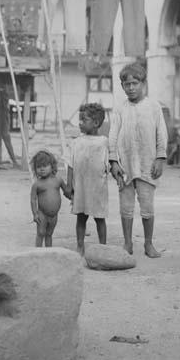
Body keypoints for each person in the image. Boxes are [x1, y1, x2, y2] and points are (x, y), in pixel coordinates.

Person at [109, 63, 168, 258]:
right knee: (125, 207)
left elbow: (162, 134)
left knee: (147, 206)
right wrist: (113, 161)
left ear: (143, 83)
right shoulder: (119, 108)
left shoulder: (153, 106)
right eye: (127, 84)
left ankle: (148, 244)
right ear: (122, 86)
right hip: (125, 166)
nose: (131, 88)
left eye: (135, 83)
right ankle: (127, 243)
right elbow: (113, 136)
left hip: (146, 165)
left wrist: (160, 158)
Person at [64, 103, 109, 256]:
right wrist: (69, 184)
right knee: (81, 218)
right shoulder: (76, 142)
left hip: (97, 188)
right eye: (80, 119)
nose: (80, 123)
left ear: (96, 123)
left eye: (84, 120)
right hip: (81, 187)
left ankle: (103, 247)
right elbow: (70, 164)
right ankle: (80, 246)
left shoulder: (104, 142)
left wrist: (119, 176)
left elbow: (109, 164)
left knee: (100, 218)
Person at [30, 149, 66, 247]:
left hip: (54, 215)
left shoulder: (58, 180)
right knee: (41, 233)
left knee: (49, 234)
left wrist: (72, 195)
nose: (42, 169)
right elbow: (33, 199)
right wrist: (35, 214)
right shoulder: (37, 184)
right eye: (38, 167)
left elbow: (66, 191)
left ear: (52, 166)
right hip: (42, 214)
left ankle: (49, 251)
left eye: (45, 166)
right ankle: (38, 251)